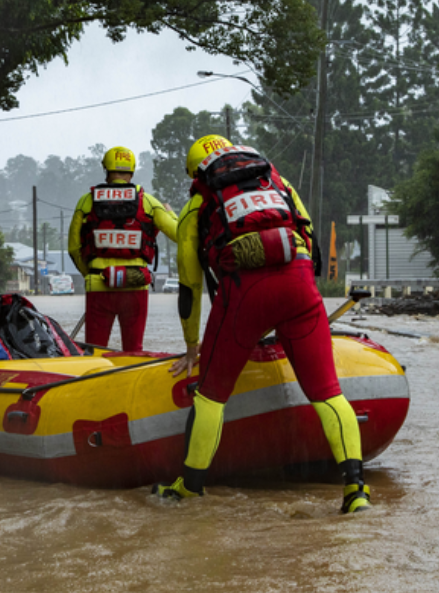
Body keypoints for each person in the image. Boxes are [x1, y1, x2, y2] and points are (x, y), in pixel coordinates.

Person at [151, 135, 372, 514]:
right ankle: (355, 491)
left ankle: (190, 488)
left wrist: (192, 348)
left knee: (210, 396)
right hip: (301, 288)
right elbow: (309, 236)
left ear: (196, 171)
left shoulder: (198, 205)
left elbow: (189, 282)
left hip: (244, 296)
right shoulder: (277, 181)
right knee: (328, 393)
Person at [67, 146, 178, 351]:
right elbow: (180, 234)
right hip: (135, 286)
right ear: (132, 171)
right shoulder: (148, 201)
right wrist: (170, 214)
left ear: (106, 170)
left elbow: (73, 247)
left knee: (95, 350)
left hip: (97, 284)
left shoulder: (87, 201)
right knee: (134, 350)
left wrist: (89, 275)